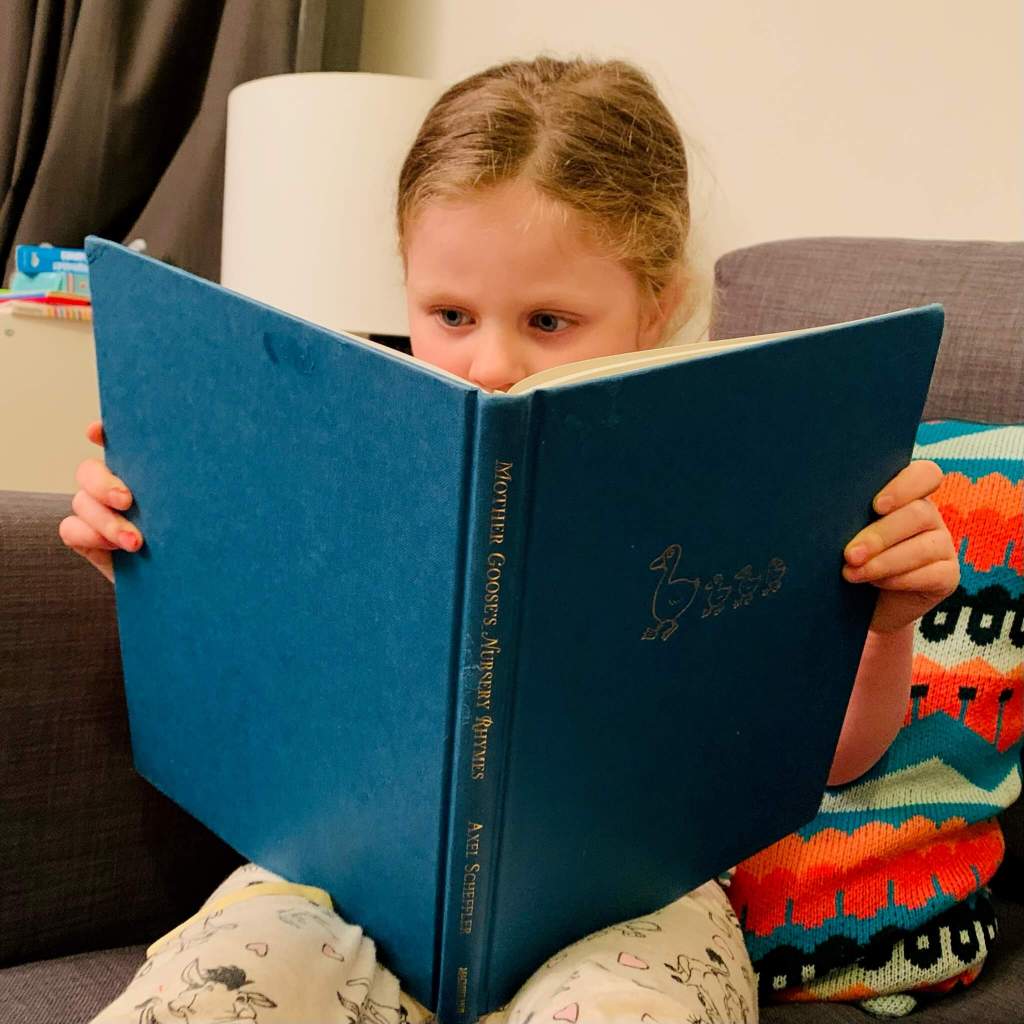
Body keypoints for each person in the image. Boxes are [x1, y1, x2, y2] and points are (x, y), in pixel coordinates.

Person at [60, 57, 959, 1024]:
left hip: (640, 900)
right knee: (220, 993)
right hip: (327, 876)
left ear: (657, 305)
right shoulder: (340, 434)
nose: (490, 363)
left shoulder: (758, 464)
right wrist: (157, 562)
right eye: (449, 315)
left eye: (549, 320)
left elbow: (836, 758)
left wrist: (884, 624)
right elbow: (252, 689)